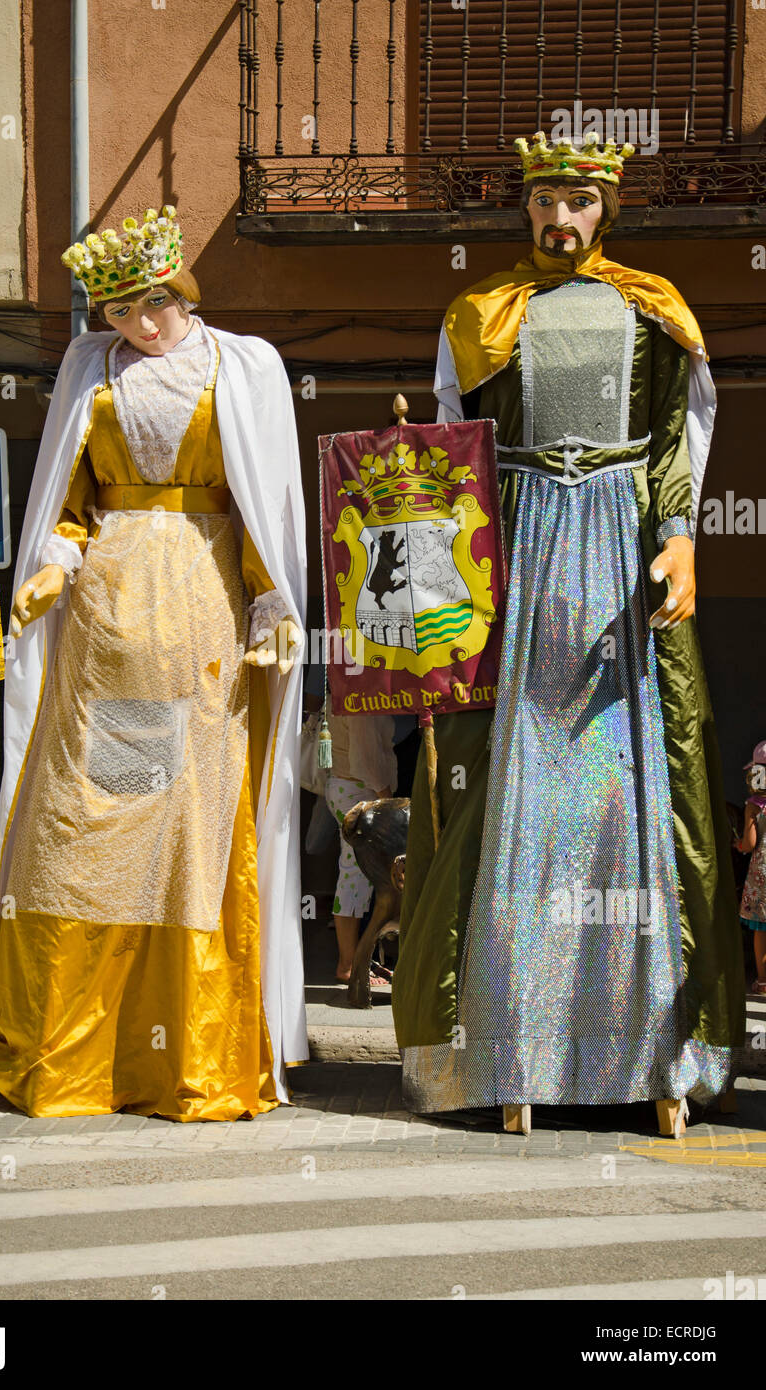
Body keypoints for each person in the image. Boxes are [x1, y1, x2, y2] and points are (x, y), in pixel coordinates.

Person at [391, 133, 746, 1138]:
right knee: (518, 792)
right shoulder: (482, 313)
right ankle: (507, 1048)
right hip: (522, 547)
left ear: (608, 211)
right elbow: (457, 454)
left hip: (623, 552)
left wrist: (679, 540)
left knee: (632, 793)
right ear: (525, 207)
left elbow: (675, 438)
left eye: (579, 201)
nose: (561, 217)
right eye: (547, 197)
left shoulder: (653, 305)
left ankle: (656, 1053)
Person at [0, 206, 308, 1121]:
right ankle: (80, 1055)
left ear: (180, 290)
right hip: (107, 637)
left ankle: (185, 1056)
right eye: (118, 311)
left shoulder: (242, 366)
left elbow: (261, 499)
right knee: (102, 827)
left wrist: (276, 603)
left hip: (206, 628)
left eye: (152, 302)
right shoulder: (87, 375)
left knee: (192, 832)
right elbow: (68, 503)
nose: (142, 326)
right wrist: (49, 567)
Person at [323, 712, 397, 986]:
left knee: (357, 876)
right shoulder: (360, 697)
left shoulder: (346, 688)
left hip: (347, 787)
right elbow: (366, 761)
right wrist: (387, 800)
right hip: (359, 790)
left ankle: (356, 961)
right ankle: (349, 964)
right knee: (355, 877)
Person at [735, 742, 766, 995]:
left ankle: (763, 981)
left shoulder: (754, 805)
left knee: (761, 929)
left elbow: (751, 842)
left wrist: (740, 844)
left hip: (762, 875)